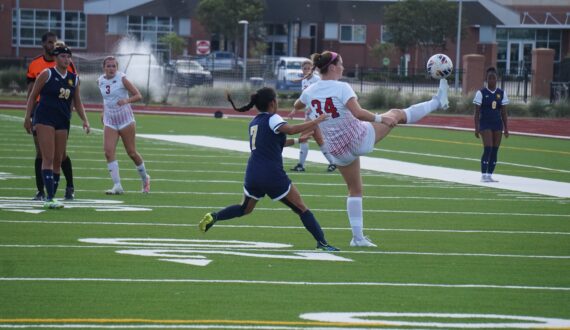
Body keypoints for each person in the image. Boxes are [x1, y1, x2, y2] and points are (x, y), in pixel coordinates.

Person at [293, 51, 448, 247]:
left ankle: (358, 238)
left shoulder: (310, 90)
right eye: (340, 64)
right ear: (332, 67)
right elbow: (358, 113)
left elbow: (297, 105)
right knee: (396, 114)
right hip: (358, 139)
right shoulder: (342, 87)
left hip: (337, 149)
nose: (343, 67)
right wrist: (382, 118)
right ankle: (437, 102)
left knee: (354, 190)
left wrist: (311, 89)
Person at [199, 87, 339, 251]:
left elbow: (273, 143)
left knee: (245, 208)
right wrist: (316, 121)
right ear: (272, 102)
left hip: (252, 173)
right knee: (301, 208)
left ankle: (215, 216)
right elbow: (291, 130)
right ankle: (322, 242)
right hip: (272, 174)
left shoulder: (254, 122)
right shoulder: (274, 118)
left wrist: (297, 141)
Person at [23, 45, 90, 209]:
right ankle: (50, 197)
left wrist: (85, 120)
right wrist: (27, 117)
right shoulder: (46, 74)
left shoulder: (74, 78)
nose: (66, 60)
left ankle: (52, 194)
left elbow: (78, 102)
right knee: (48, 156)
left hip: (63, 120)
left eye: (68, 57)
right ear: (55, 58)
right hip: (44, 118)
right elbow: (33, 96)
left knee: (58, 159)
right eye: (62, 56)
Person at [26, 32, 78, 201]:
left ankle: (69, 186)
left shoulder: (69, 64)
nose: (53, 45)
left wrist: (70, 111)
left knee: (60, 155)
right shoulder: (36, 65)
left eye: (55, 42)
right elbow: (31, 92)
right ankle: (42, 191)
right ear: (44, 45)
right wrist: (29, 115)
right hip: (42, 113)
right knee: (41, 153)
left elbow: (73, 92)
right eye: (50, 43)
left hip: (62, 115)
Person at [97, 56, 150, 195]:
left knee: (131, 152)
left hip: (125, 119)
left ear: (117, 67)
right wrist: (103, 112)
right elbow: (106, 99)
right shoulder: (100, 80)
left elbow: (138, 95)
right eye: (108, 66)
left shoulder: (122, 78)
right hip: (110, 120)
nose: (111, 69)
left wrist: (126, 100)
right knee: (108, 152)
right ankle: (117, 186)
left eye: (113, 66)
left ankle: (145, 179)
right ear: (104, 68)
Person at [289, 59, 337, 172]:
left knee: (303, 137)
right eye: (304, 68)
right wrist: (294, 109)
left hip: (315, 113)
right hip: (311, 113)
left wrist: (311, 108)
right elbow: (304, 98)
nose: (306, 70)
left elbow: (320, 95)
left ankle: (301, 165)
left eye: (308, 68)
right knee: (319, 139)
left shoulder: (317, 79)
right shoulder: (304, 80)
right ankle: (333, 163)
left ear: (312, 69)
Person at [473, 67, 509, 183]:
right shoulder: (481, 93)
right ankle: (483, 175)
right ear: (486, 79)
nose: (492, 80)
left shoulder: (501, 93)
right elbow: (477, 113)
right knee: (488, 148)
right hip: (485, 124)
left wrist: (506, 128)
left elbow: (504, 112)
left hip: (497, 124)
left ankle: (490, 175)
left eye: (494, 78)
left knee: (495, 150)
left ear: (496, 79)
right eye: (489, 78)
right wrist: (476, 128)